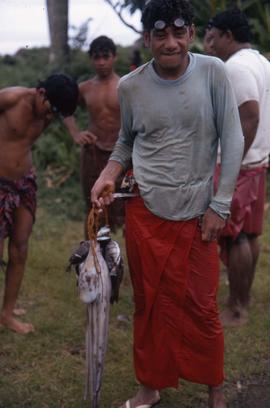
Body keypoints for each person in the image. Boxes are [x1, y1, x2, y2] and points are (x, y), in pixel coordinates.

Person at [91, 0, 244, 407]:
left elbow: (232, 139)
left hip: (198, 214)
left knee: (202, 306)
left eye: (179, 33)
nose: (171, 43)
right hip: (146, 213)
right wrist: (108, 174)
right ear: (148, 39)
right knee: (149, 305)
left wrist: (221, 205)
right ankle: (150, 387)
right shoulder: (131, 86)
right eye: (161, 35)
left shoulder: (213, 72)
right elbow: (126, 142)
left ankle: (215, 389)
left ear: (191, 33)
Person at [0, 74, 79, 334]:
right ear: (41, 92)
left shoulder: (49, 111)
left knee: (20, 247)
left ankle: (8, 313)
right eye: (52, 108)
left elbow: (66, 112)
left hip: (25, 183)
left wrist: (77, 134)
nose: (52, 116)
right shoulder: (12, 98)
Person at [208, 8, 270, 326]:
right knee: (250, 233)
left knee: (235, 236)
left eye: (213, 37)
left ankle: (236, 305)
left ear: (228, 36)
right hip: (257, 161)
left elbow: (251, 115)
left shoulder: (236, 67)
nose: (210, 45)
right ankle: (242, 298)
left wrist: (231, 166)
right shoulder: (261, 63)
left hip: (241, 164)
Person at [64, 36, 124, 233]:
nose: (101, 62)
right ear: (91, 59)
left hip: (121, 155)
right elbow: (66, 109)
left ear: (114, 57)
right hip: (93, 153)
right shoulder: (85, 87)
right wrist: (75, 133)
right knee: (94, 205)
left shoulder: (125, 86)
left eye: (105, 57)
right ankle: (92, 260)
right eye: (96, 57)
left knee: (126, 208)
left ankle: (122, 259)